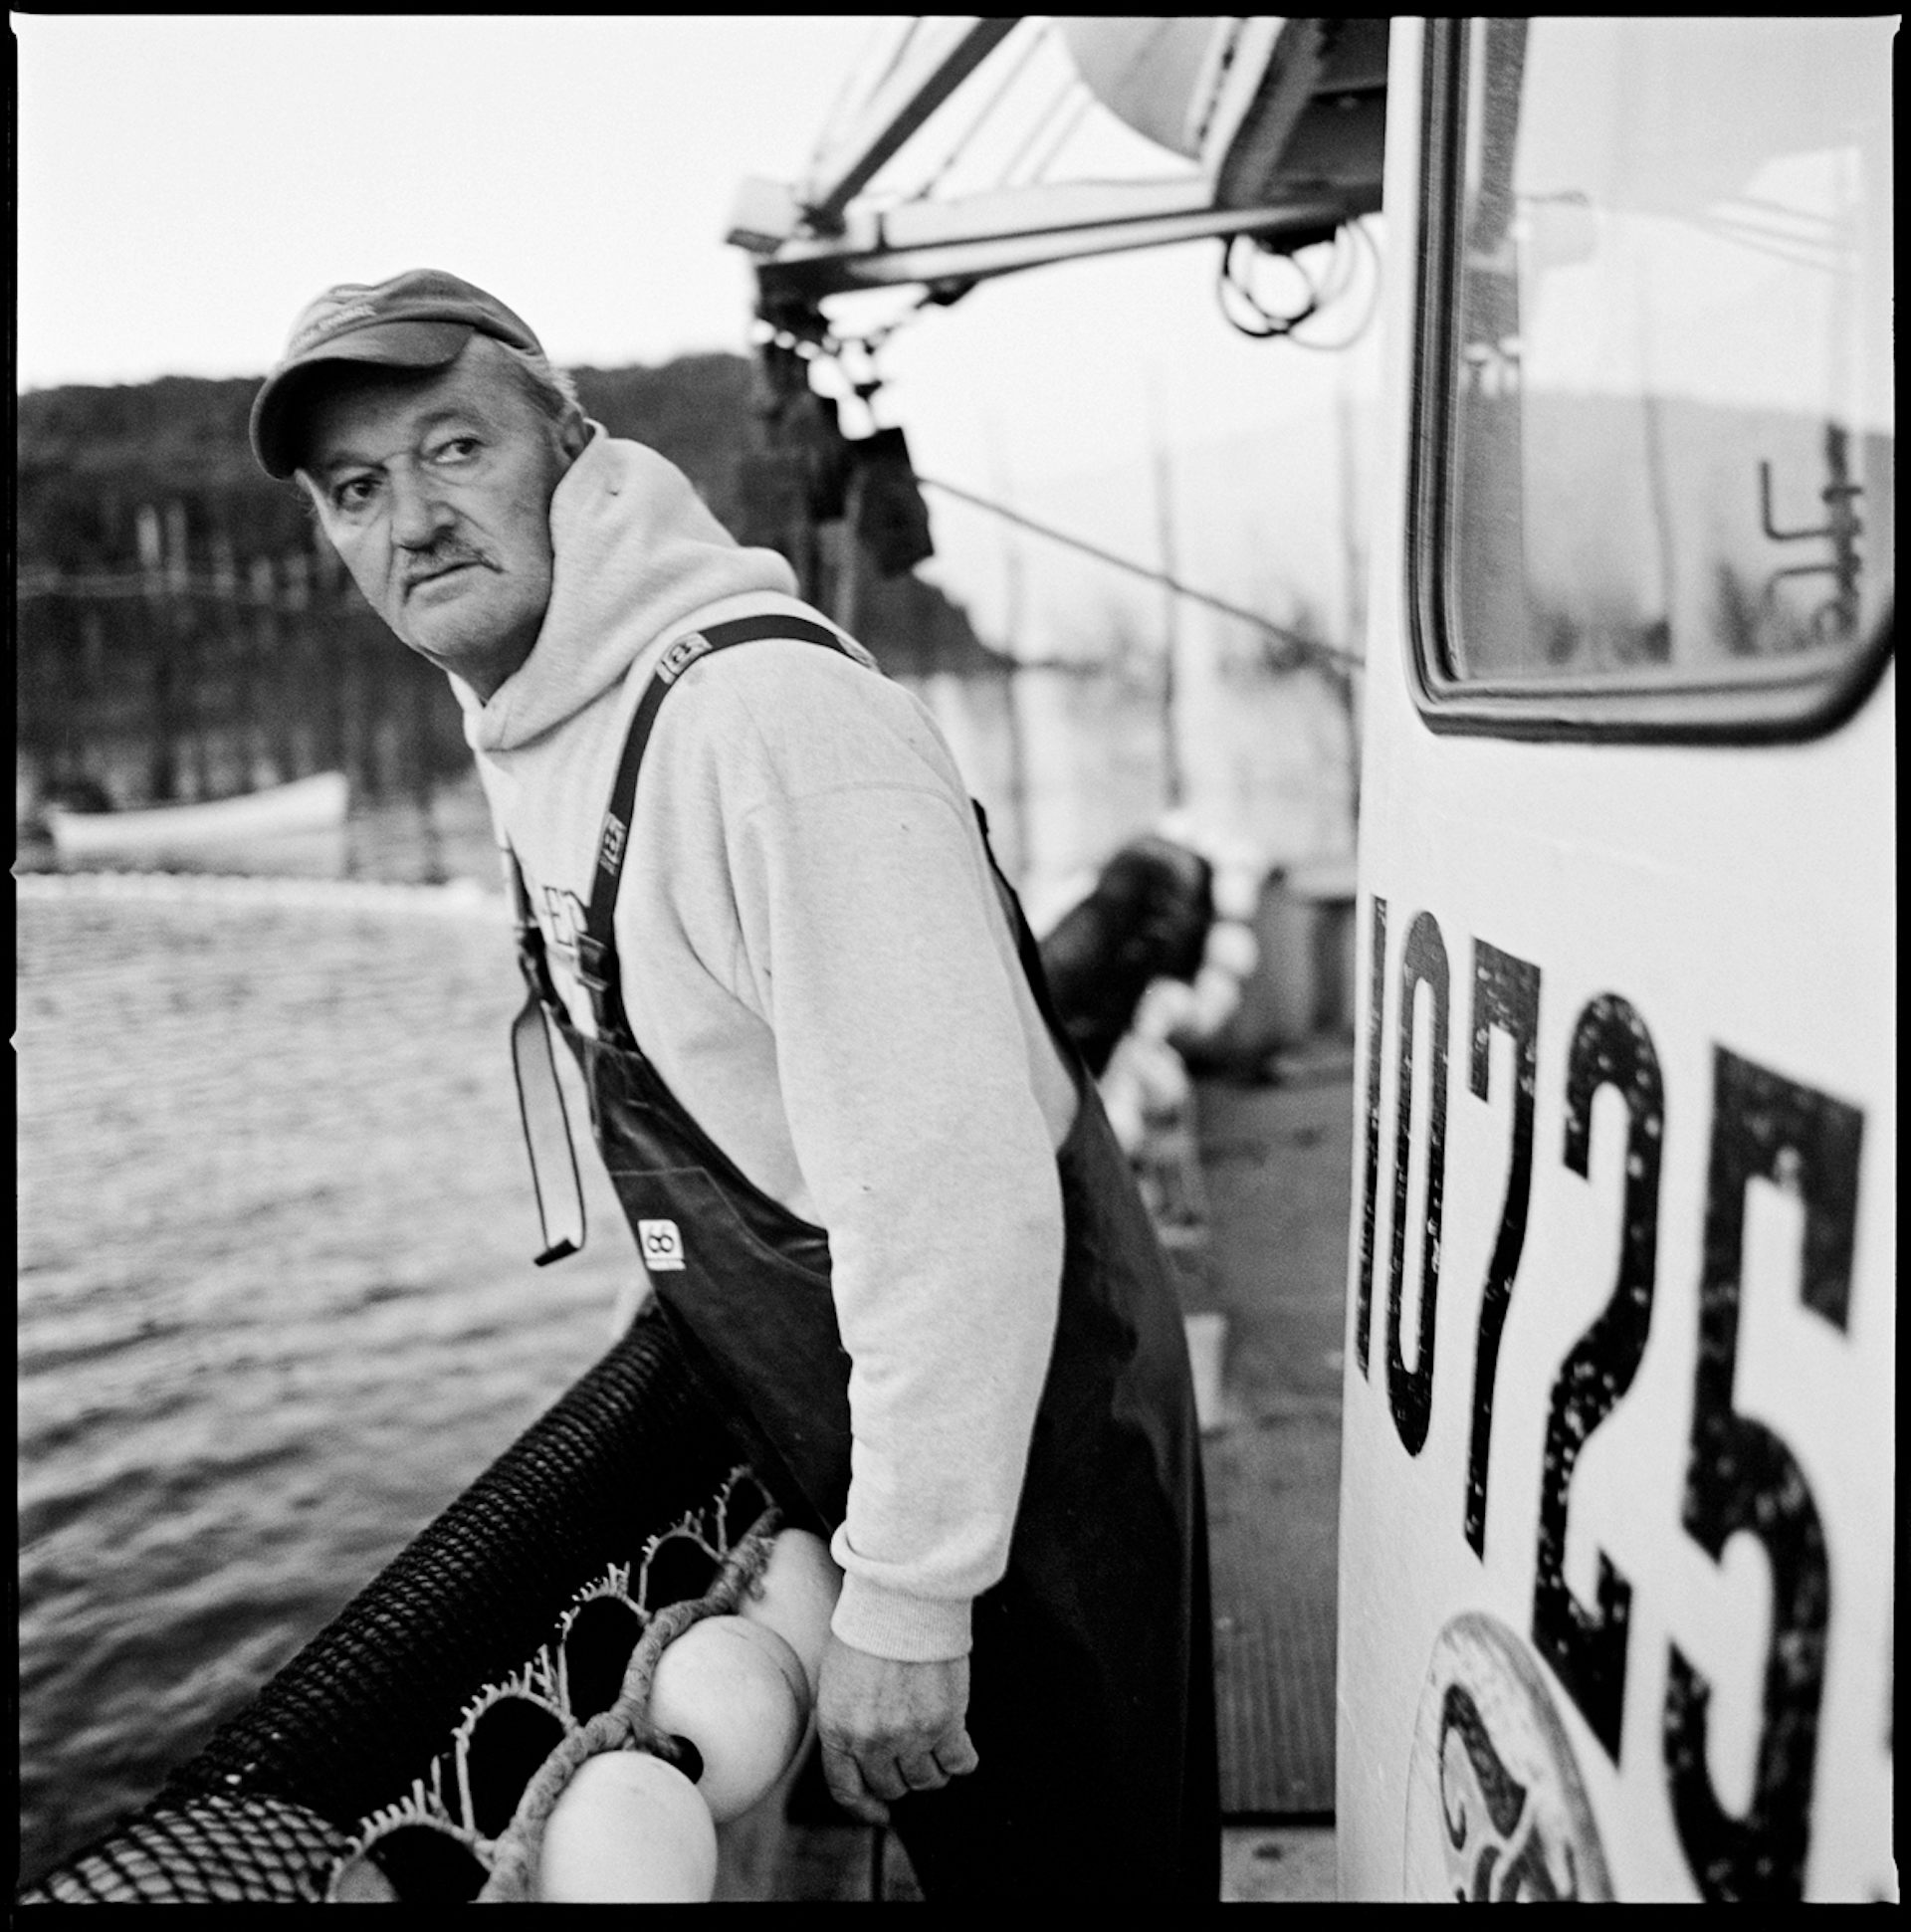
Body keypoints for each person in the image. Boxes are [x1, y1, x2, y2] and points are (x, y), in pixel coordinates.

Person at [249, 268, 1218, 1899]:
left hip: (1029, 1480)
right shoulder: (558, 718)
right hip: (895, 1455)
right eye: (357, 490)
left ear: (570, 445)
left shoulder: (761, 726)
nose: (408, 518)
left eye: (453, 450)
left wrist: (910, 1593)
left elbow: (953, 1191)